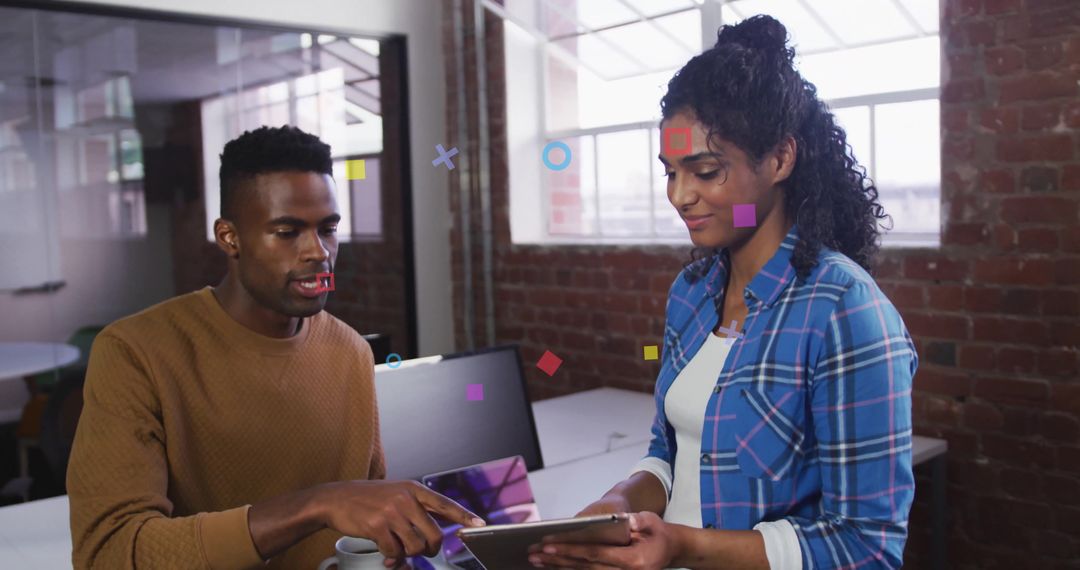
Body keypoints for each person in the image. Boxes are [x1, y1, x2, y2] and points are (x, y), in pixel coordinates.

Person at [529, 15, 917, 570]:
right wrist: (618, 505)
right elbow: (672, 453)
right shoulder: (691, 293)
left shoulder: (843, 311)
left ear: (780, 159)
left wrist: (685, 546)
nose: (681, 196)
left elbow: (867, 546)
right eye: (670, 172)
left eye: (706, 171)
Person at [67, 125, 485, 569]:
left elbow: (363, 521)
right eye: (288, 232)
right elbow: (108, 554)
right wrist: (316, 505)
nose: (318, 252)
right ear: (230, 238)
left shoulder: (350, 351)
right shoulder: (135, 352)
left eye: (328, 229)